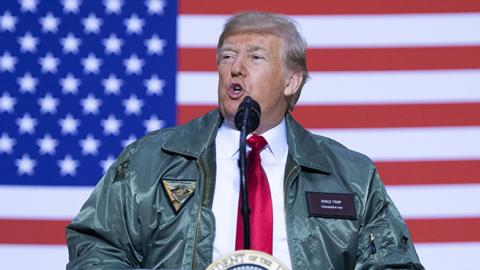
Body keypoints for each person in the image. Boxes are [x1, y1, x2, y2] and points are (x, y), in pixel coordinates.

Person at [66, 12, 424, 270]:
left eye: (255, 57)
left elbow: (394, 263)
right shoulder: (150, 161)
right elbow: (97, 246)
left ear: (291, 81)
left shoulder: (349, 175)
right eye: (227, 57)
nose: (236, 68)